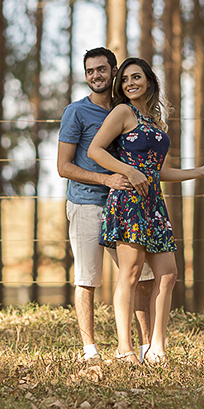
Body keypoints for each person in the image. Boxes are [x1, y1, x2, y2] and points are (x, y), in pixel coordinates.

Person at [88, 57, 204, 364]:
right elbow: (95, 150)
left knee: (168, 274)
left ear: (148, 80)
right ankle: (125, 348)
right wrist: (128, 172)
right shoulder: (123, 112)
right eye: (124, 80)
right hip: (129, 202)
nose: (130, 83)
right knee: (130, 274)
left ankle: (156, 347)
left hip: (153, 204)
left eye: (136, 77)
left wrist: (199, 172)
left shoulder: (154, 121)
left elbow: (156, 171)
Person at [57, 47, 155, 362]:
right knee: (88, 279)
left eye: (101, 69)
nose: (96, 76)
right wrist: (106, 180)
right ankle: (90, 350)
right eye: (90, 71)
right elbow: (64, 167)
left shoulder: (126, 110)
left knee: (142, 276)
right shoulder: (76, 112)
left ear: (114, 71)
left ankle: (145, 348)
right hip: (86, 205)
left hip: (123, 207)